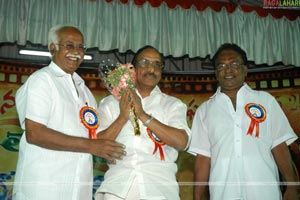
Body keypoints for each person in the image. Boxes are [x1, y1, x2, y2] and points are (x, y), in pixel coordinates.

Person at [12, 24, 126, 200]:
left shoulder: (85, 91)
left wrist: (124, 116)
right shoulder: (42, 80)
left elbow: (94, 138)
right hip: (43, 188)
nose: (76, 51)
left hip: (78, 189)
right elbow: (35, 133)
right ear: (53, 48)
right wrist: (92, 146)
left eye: (81, 47)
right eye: (69, 45)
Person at [188, 43, 299, 200]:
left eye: (234, 64)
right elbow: (203, 159)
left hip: (265, 194)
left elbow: (279, 145)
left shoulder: (266, 101)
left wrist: (292, 186)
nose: (228, 70)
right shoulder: (204, 111)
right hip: (223, 195)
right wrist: (197, 197)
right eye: (222, 65)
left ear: (245, 70)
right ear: (216, 73)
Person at [95, 45, 191, 200]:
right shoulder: (110, 103)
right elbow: (95, 144)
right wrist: (122, 117)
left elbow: (182, 142)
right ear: (133, 68)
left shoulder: (173, 104)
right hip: (117, 189)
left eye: (157, 64)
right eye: (145, 63)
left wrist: (142, 114)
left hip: (160, 189)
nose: (151, 69)